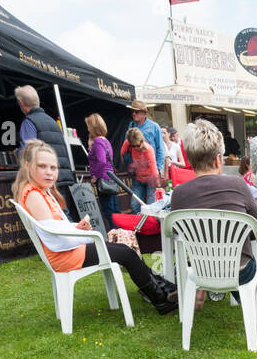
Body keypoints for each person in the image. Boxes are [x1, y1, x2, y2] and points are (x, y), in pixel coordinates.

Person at [13, 140, 175, 315]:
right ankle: (160, 298)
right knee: (126, 253)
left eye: (53, 168)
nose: (49, 172)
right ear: (27, 166)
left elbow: (54, 228)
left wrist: (76, 227)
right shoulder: (34, 195)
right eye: (42, 166)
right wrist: (86, 235)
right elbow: (54, 238)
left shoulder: (38, 191)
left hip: (68, 250)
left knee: (125, 248)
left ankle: (163, 287)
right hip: (64, 255)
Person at [170, 120, 257, 312]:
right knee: (239, 261)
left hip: (200, 270)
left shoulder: (179, 193)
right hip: (240, 271)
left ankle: (202, 291)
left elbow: (176, 232)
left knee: (212, 257)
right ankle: (252, 309)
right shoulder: (238, 185)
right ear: (218, 159)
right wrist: (236, 235)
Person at [14, 85, 73, 207]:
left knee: (54, 216)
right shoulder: (53, 121)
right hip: (61, 175)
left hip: (45, 179)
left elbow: (27, 151)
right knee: (61, 214)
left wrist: (18, 152)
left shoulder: (29, 121)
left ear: (21, 103)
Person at [84, 112, 118, 230]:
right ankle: (122, 235)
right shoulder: (105, 140)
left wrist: (95, 176)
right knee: (115, 211)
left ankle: (117, 236)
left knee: (108, 211)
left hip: (103, 179)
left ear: (93, 126)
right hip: (110, 178)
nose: (87, 128)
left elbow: (101, 161)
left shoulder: (98, 141)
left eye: (88, 125)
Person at [121, 127, 159, 214]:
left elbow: (154, 170)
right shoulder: (128, 143)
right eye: (134, 146)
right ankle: (140, 225)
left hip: (150, 180)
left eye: (139, 144)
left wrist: (157, 184)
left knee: (150, 207)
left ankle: (149, 225)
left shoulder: (149, 150)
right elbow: (122, 153)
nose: (138, 147)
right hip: (137, 179)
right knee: (134, 205)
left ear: (142, 140)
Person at [128, 99, 167, 179]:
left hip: (151, 171)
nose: (134, 114)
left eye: (137, 112)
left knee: (151, 192)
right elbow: (128, 147)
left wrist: (158, 168)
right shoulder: (131, 125)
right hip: (137, 173)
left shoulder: (154, 127)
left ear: (144, 113)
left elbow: (161, 149)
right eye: (133, 111)